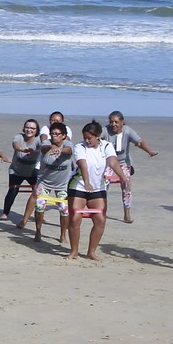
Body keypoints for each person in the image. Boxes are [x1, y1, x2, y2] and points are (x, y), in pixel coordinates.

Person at [66, 120, 124, 262]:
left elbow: (112, 162)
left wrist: (123, 178)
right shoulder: (80, 147)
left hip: (98, 187)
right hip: (78, 185)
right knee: (75, 219)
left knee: (100, 220)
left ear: (98, 136)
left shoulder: (107, 146)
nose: (87, 140)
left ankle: (91, 252)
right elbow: (83, 165)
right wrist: (86, 182)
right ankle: (74, 251)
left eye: (89, 138)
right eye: (85, 137)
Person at [106, 110, 157, 224]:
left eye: (116, 122)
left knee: (127, 187)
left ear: (122, 122)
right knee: (103, 186)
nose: (113, 124)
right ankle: (102, 211)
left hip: (124, 163)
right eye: (111, 122)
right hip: (108, 163)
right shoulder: (105, 131)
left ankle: (127, 214)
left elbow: (139, 142)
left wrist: (149, 151)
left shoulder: (127, 131)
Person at [27, 120, 72, 245]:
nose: (54, 136)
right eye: (52, 133)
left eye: (57, 134)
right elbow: (43, 148)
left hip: (62, 184)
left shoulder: (68, 143)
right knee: (40, 207)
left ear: (63, 135)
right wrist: (52, 147)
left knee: (64, 209)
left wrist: (60, 150)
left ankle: (63, 234)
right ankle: (38, 231)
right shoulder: (47, 143)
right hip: (44, 182)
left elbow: (69, 150)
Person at [3, 119, 41, 225]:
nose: (29, 130)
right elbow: (15, 144)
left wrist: (34, 152)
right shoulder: (19, 137)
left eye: (32, 128)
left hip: (32, 170)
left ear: (36, 130)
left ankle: (40, 214)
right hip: (16, 170)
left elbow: (41, 149)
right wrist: (21, 149)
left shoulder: (38, 140)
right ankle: (5, 213)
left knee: (38, 192)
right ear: (24, 128)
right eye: (27, 127)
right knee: (13, 190)